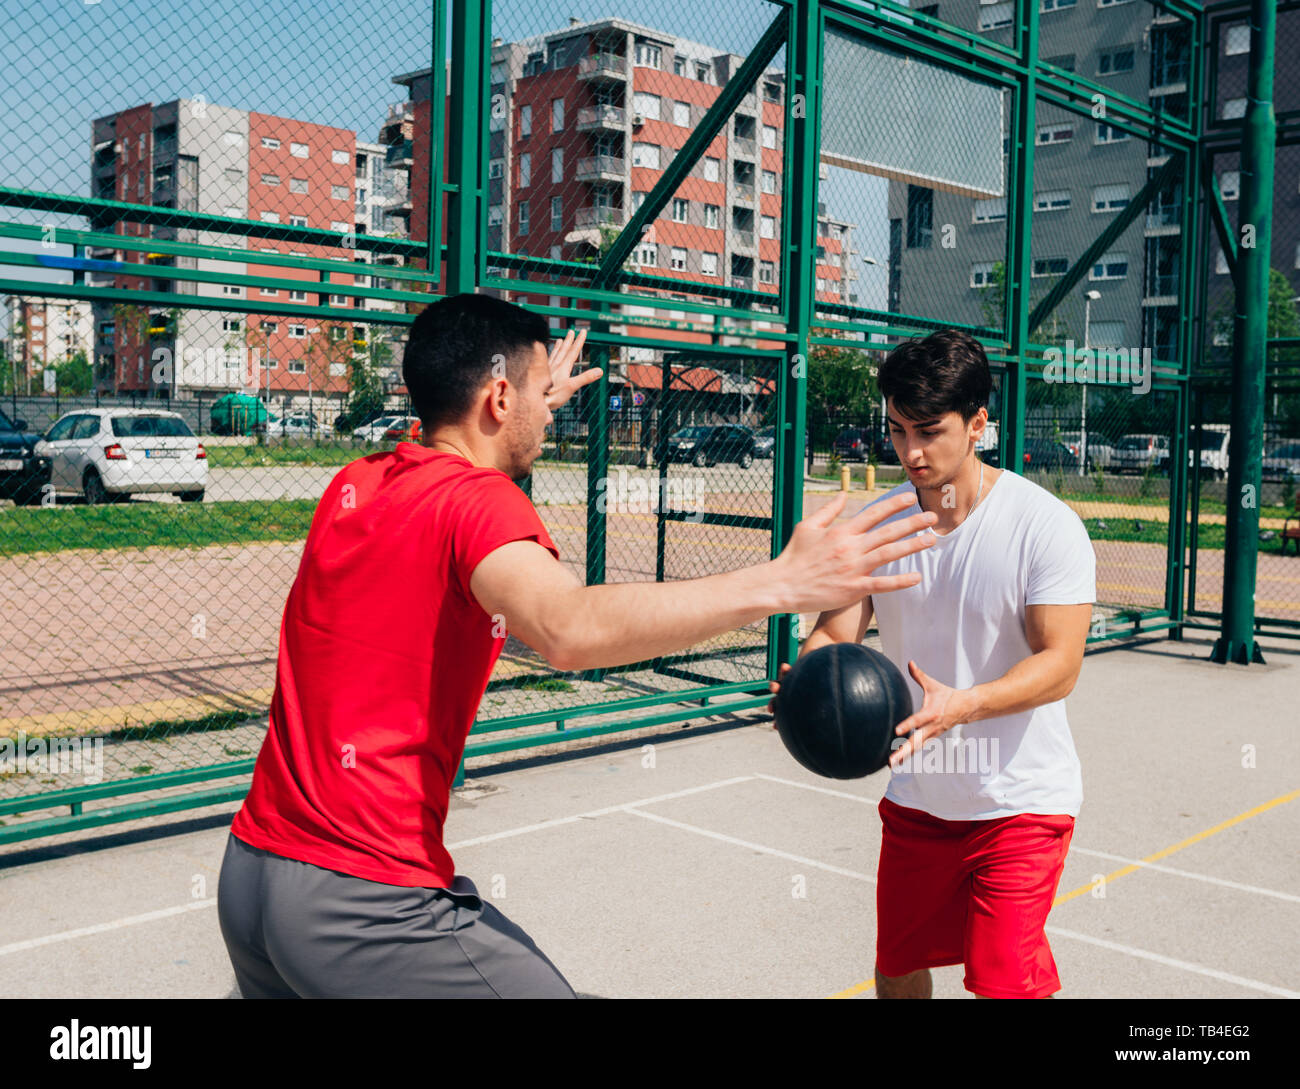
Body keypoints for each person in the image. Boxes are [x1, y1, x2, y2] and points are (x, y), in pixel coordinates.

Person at [217, 292, 939, 998]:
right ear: (498, 399)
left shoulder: (358, 483)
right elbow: (567, 628)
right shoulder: (480, 502)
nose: (549, 402)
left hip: (252, 875)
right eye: (535, 391)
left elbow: (450, 462)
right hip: (362, 900)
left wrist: (519, 408)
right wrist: (783, 581)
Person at [771, 329, 1095, 999]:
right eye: (895, 429)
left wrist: (964, 703)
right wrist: (808, 685)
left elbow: (1061, 664)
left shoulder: (1044, 525)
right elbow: (834, 635)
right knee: (897, 964)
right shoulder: (879, 526)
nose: (910, 452)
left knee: (1005, 982)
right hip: (920, 797)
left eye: (928, 430)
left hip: (1020, 801)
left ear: (979, 423)